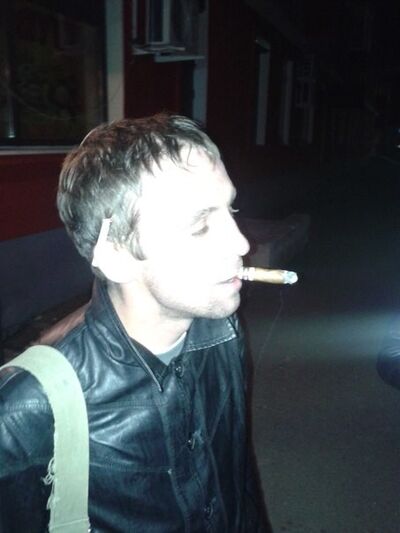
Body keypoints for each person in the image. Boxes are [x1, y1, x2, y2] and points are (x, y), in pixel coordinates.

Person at [0, 114, 270, 532]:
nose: (240, 242)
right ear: (116, 256)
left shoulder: (221, 332)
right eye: (200, 226)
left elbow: (237, 478)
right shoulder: (27, 406)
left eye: (230, 209)